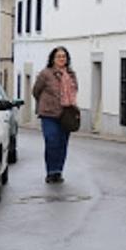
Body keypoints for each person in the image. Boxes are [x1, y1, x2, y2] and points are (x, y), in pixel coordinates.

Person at [31, 46, 78, 184]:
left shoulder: (71, 74)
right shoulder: (45, 74)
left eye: (64, 57)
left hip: (66, 113)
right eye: (58, 56)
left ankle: (58, 171)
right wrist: (46, 103)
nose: (61, 59)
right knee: (52, 141)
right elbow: (36, 91)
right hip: (49, 114)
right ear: (52, 59)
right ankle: (51, 171)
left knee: (62, 144)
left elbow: (75, 90)